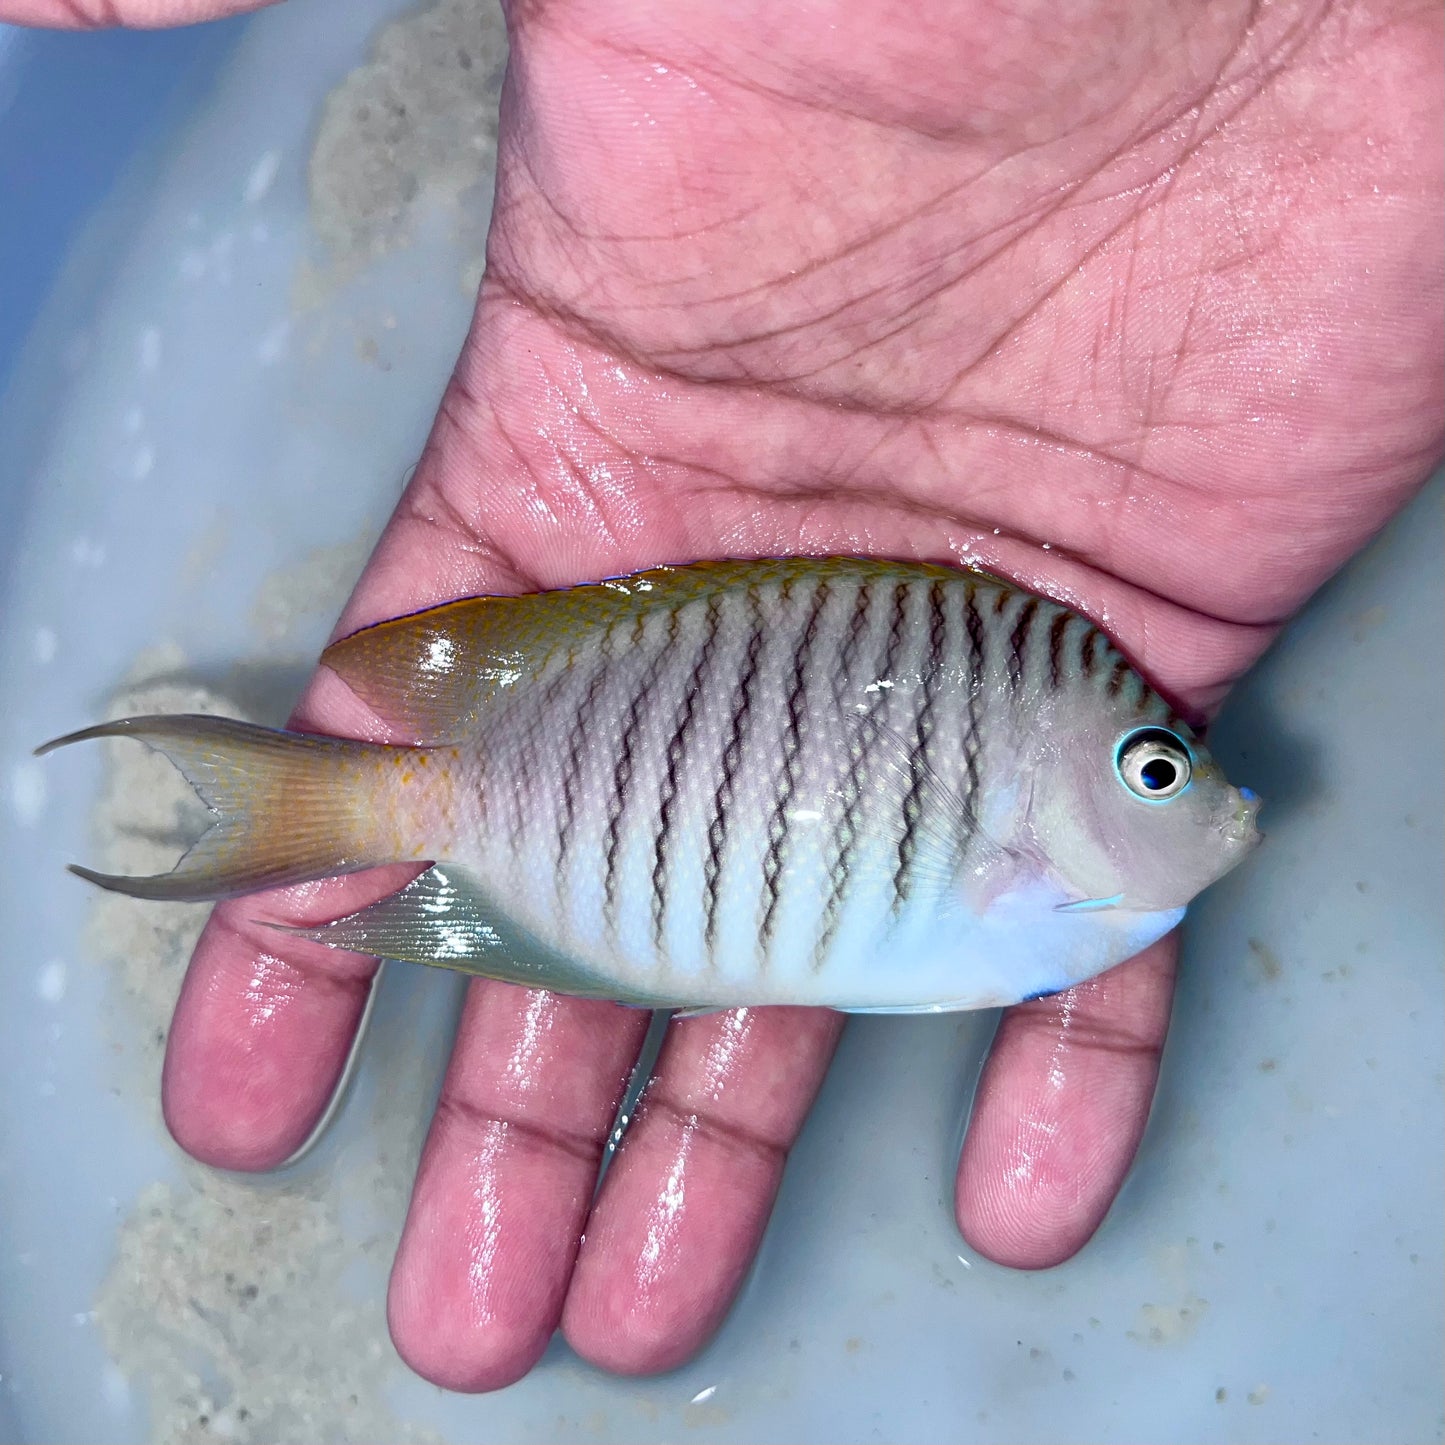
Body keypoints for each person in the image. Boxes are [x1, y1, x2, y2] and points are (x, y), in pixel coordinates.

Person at [7, 0, 1441, 1392]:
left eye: (1159, 768)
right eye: (1151, 766)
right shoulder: (1055, 865)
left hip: (600, 850)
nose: (1199, 784)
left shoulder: (1049, 805)